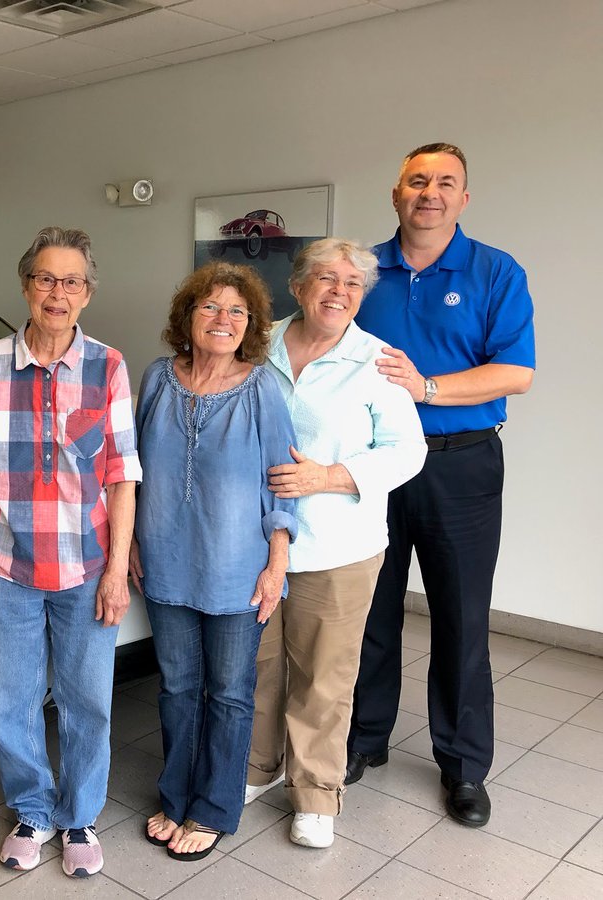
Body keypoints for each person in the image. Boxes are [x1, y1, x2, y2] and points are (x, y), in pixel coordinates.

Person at [346, 143, 536, 828]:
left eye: (445, 182)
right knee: (371, 608)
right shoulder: (362, 272)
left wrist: (425, 388)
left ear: (463, 198)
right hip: (371, 464)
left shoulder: (495, 271)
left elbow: (515, 372)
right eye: (417, 180)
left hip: (460, 463)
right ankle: (362, 739)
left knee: (461, 618)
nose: (430, 192)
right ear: (396, 194)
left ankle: (462, 765)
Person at [0, 226, 141, 878]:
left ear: (87, 293)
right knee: (13, 698)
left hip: (86, 570)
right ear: (26, 286)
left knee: (88, 702)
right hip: (7, 570)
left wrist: (117, 571)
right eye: (45, 279)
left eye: (70, 281)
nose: (56, 293)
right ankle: (32, 811)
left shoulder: (107, 367)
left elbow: (121, 476)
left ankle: (80, 815)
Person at [244, 238, 426, 848]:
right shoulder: (255, 342)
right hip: (253, 543)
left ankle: (317, 792)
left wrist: (328, 476)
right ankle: (257, 767)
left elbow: (408, 451)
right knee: (258, 665)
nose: (338, 292)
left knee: (324, 675)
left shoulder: (376, 362)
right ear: (297, 286)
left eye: (352, 284)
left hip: (338, 548)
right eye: (325, 278)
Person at [131, 261, 297, 862]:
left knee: (228, 692)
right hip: (165, 563)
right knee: (177, 686)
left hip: (236, 570)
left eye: (236, 311)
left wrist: (276, 564)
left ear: (250, 324)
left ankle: (216, 807)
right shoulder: (156, 378)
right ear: (188, 316)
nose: (222, 319)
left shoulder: (262, 388)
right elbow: (131, 471)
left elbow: (282, 484)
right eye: (209, 307)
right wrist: (128, 542)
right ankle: (176, 796)